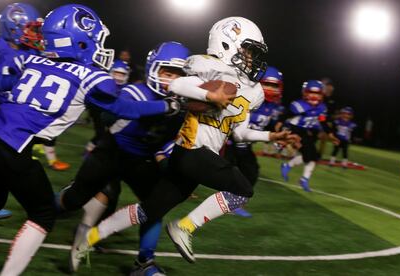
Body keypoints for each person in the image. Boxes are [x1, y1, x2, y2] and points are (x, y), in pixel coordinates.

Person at [73, 16, 300, 265]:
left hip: (200, 157)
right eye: (248, 50)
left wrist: (271, 135)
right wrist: (209, 94)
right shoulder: (211, 67)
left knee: (149, 210)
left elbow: (240, 133)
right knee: (242, 189)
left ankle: (90, 237)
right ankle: (184, 228)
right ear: (227, 44)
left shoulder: (253, 91)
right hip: (192, 150)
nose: (251, 57)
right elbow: (179, 84)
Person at [0, 5, 179, 275]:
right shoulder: (92, 77)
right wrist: (168, 107)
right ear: (78, 40)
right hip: (16, 148)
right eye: (95, 39)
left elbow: (1, 85)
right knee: (44, 213)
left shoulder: (29, 59)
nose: (99, 46)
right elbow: (124, 110)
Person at [57, 41, 190, 275]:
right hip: (110, 152)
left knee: (154, 207)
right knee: (74, 199)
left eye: (178, 76)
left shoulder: (180, 106)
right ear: (153, 69)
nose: (172, 81)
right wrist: (162, 107)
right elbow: (115, 114)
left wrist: (168, 154)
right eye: (167, 73)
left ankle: (144, 263)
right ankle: (44, 208)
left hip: (140, 160)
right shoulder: (135, 91)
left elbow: (169, 138)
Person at [0, 2, 44, 220]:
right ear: (14, 28)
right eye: (31, 29)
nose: (36, 34)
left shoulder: (29, 52)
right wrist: (16, 81)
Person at [224, 65, 284, 217]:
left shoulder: (273, 107)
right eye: (267, 84)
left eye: (274, 85)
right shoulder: (249, 97)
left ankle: (234, 203)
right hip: (228, 141)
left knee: (251, 172)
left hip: (246, 145)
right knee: (221, 171)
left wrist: (277, 139)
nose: (270, 88)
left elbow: (269, 126)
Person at [280, 80, 339, 192]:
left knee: (313, 157)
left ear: (321, 94)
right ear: (305, 93)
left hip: (308, 131)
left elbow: (323, 122)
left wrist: (331, 135)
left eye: (317, 93)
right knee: (310, 155)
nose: (314, 96)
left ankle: (302, 177)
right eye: (311, 92)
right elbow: (284, 117)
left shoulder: (321, 107)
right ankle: (294, 171)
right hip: (296, 130)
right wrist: (281, 130)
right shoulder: (298, 105)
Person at [85, 59, 131, 155]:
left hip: (112, 113)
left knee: (112, 134)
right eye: (116, 73)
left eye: (122, 74)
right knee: (101, 134)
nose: (118, 77)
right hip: (98, 110)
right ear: (111, 71)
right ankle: (89, 151)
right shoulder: (104, 83)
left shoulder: (126, 88)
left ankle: (97, 150)